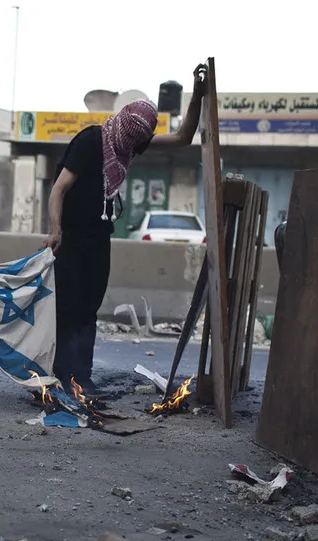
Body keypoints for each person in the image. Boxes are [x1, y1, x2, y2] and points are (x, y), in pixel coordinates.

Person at [43, 65, 208, 394]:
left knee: (89, 307)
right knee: (68, 309)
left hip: (99, 237)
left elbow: (182, 137)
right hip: (72, 238)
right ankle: (60, 375)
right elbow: (58, 189)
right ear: (124, 127)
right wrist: (55, 230)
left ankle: (81, 376)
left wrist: (197, 95)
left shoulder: (126, 142)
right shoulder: (91, 141)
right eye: (135, 142)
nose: (135, 148)